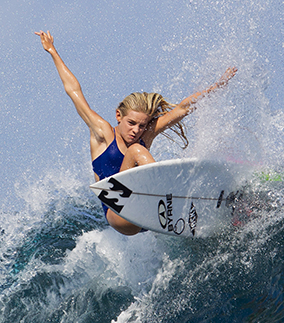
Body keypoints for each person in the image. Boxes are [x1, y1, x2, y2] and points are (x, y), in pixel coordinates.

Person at [36, 30, 237, 235]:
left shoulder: (144, 136)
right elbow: (74, 91)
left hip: (149, 213)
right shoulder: (103, 133)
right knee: (135, 152)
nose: (136, 130)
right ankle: (168, 193)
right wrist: (52, 50)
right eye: (131, 123)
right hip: (120, 213)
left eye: (142, 125)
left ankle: (231, 210)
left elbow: (181, 109)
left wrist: (216, 87)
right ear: (118, 116)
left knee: (161, 154)